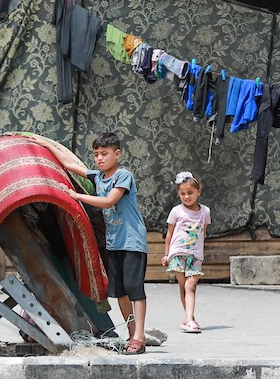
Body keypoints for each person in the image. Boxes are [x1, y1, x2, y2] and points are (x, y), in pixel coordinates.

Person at [64, 132, 150, 355]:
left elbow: (109, 201)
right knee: (120, 291)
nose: (100, 158)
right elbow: (71, 164)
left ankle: (139, 336)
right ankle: (132, 335)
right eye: (96, 155)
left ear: (117, 154)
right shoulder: (97, 176)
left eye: (105, 154)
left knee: (134, 289)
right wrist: (41, 144)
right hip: (114, 243)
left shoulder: (123, 176)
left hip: (132, 241)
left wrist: (78, 196)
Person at [162, 171, 210, 333]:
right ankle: (189, 318)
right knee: (184, 287)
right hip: (177, 253)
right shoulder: (176, 211)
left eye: (190, 193)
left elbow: (203, 232)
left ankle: (189, 319)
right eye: (182, 193)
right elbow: (169, 234)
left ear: (198, 191)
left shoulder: (205, 211)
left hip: (195, 255)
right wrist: (166, 254)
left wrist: (200, 250)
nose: (186, 197)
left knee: (191, 285)